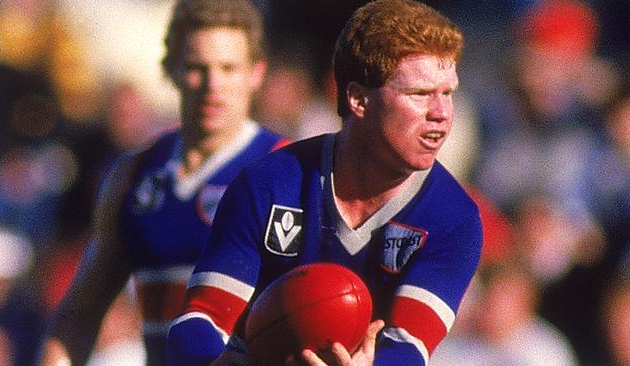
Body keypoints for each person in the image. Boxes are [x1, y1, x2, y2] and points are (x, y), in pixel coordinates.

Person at [166, 1, 483, 365]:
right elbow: (198, 321)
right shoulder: (269, 183)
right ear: (358, 99)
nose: (442, 113)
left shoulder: (454, 219)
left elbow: (408, 349)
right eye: (420, 94)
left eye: (448, 92)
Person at [37, 0, 287, 364]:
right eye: (196, 68)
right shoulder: (133, 176)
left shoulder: (287, 170)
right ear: (170, 69)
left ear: (256, 73)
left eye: (228, 68)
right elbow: (79, 313)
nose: (213, 84)